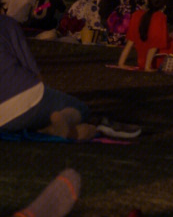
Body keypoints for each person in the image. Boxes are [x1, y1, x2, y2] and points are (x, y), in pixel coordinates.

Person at [0, 15, 140, 141]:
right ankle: (64, 121)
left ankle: (48, 128)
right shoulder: (6, 23)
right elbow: (32, 69)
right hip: (22, 94)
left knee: (35, 118)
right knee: (79, 108)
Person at [117, 0, 173, 71]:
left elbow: (130, 42)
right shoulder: (160, 17)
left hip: (142, 61)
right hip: (157, 60)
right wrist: (147, 67)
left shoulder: (137, 14)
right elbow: (155, 43)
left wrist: (121, 64)